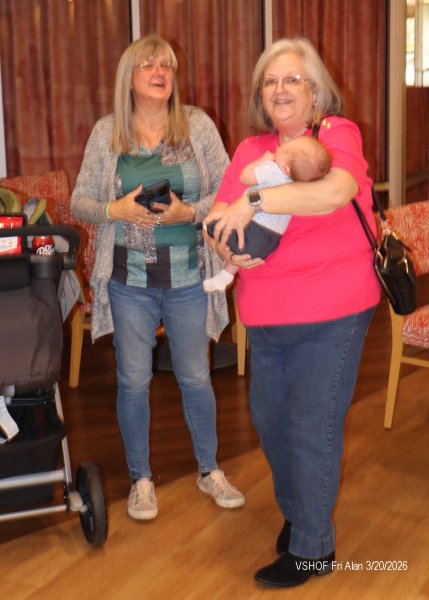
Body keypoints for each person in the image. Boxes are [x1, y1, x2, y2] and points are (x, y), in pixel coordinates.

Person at [204, 37, 381, 589]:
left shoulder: (336, 135)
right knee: (271, 423)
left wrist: (253, 201)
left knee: (311, 426)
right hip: (265, 314)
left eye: (292, 79)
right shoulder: (249, 149)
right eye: (270, 81)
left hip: (334, 310)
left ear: (316, 92)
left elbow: (332, 193)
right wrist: (222, 242)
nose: (279, 90)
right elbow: (214, 215)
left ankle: (312, 546)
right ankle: (302, 511)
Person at [71, 34, 244, 522]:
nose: (160, 72)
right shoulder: (108, 132)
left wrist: (190, 213)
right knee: (133, 382)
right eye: (148, 64)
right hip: (128, 283)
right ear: (129, 77)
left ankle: (209, 470)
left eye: (166, 64)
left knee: (196, 378)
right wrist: (115, 209)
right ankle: (141, 480)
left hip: (189, 277)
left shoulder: (198, 126)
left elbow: (228, 190)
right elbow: (80, 200)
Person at [203, 136, 331, 292]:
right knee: (241, 252)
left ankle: (213, 238)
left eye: (285, 149)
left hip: (252, 230)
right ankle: (226, 275)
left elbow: (245, 177)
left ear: (286, 169)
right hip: (269, 242)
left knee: (211, 224)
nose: (280, 146)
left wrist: (262, 161)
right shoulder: (297, 185)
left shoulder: (273, 170)